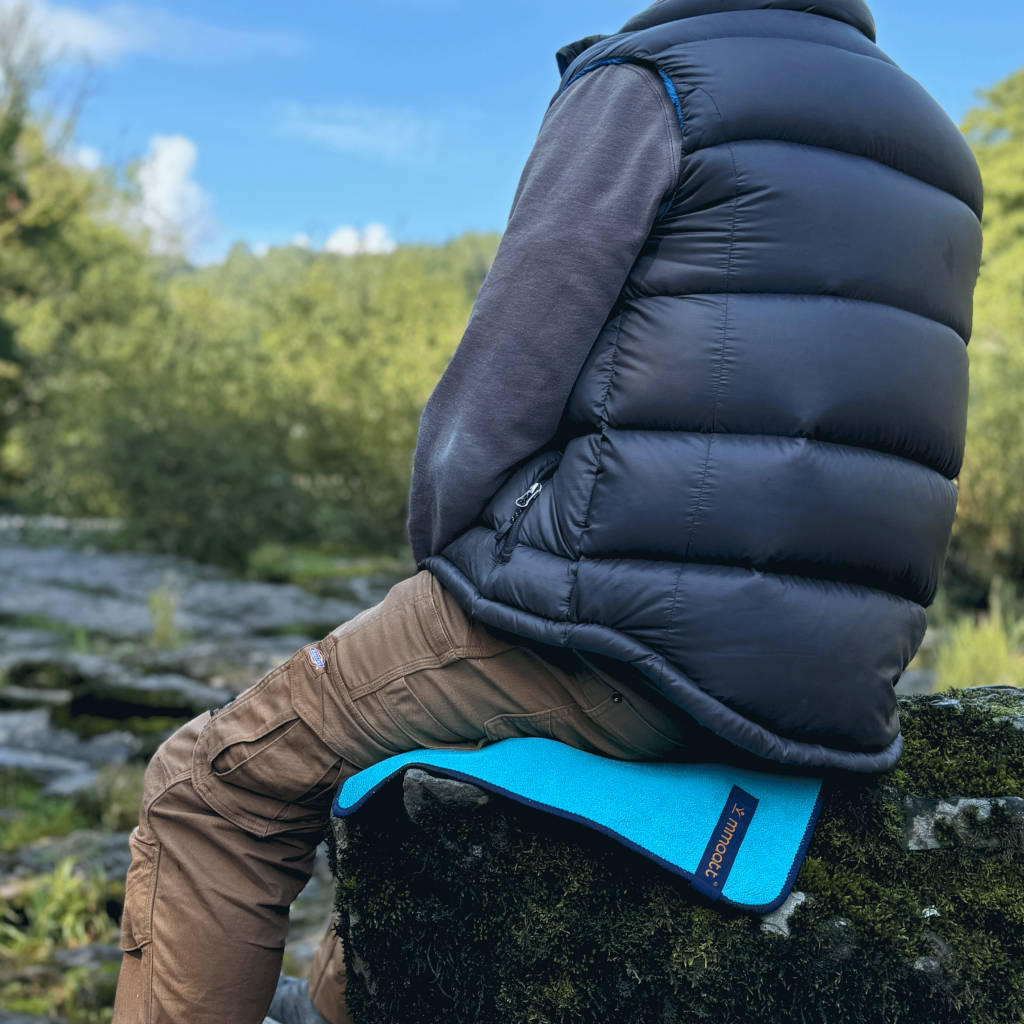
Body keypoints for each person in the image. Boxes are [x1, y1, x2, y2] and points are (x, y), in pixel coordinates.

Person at [111, 1, 982, 1021]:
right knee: (405, 817)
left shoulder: (657, 79)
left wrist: (451, 567)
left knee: (210, 787)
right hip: (831, 682)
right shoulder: (937, 142)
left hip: (617, 634)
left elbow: (495, 395)